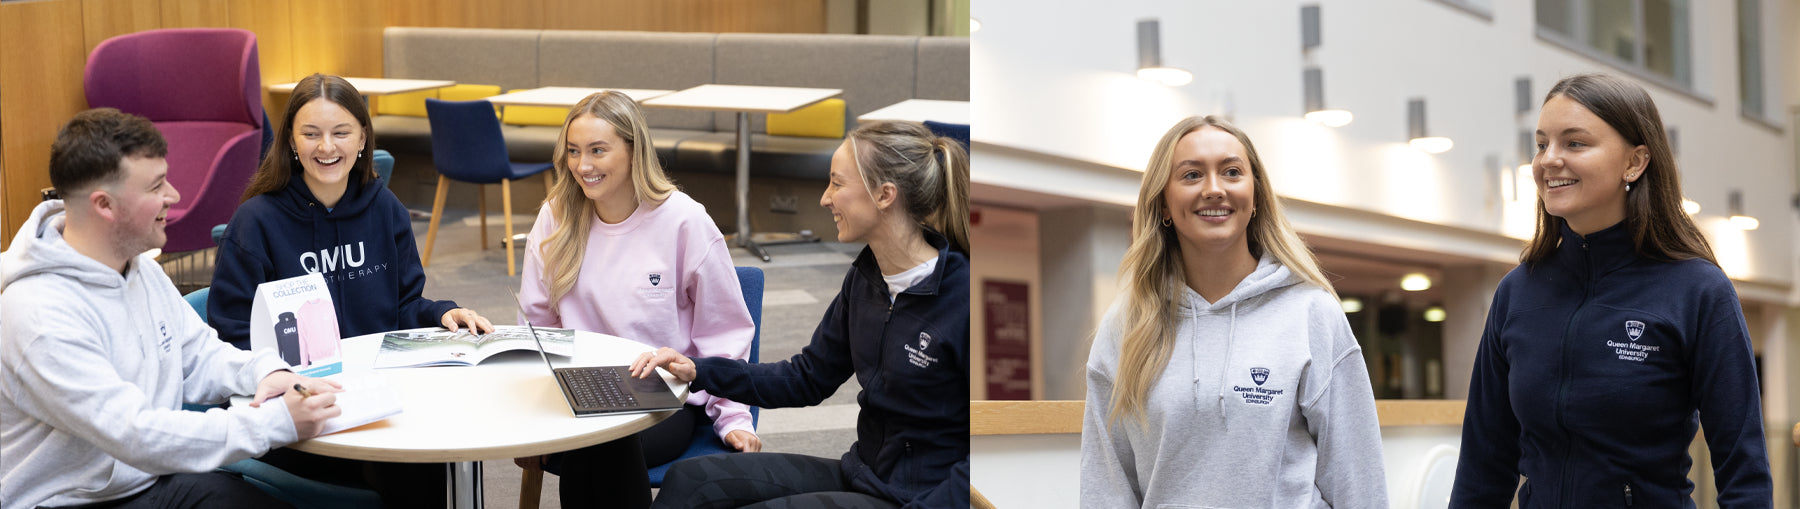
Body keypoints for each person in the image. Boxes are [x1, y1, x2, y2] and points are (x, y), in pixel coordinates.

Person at [1452, 73, 1773, 507]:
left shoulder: (1697, 290)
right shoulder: (1518, 291)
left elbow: (1744, 471)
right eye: (1542, 143)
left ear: (1635, 162)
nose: (1549, 159)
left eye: (1575, 143)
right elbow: (1483, 462)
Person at [0, 108, 343, 509]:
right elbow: (134, 434)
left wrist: (264, 371)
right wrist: (275, 422)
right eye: (156, 186)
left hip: (148, 480)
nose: (174, 196)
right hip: (67, 500)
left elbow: (198, 356)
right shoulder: (39, 314)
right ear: (105, 205)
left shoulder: (139, 267)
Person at [633, 120, 970, 508]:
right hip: (865, 473)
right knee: (690, 481)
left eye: (837, 184)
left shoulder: (967, 302)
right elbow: (806, 378)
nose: (825, 199)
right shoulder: (867, 279)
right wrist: (698, 371)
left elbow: (991, 455)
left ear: (885, 195)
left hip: (919, 497)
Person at [208, 73, 489, 507]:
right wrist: (286, 384)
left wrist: (441, 315)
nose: (327, 147)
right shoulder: (256, 222)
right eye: (311, 134)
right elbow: (230, 338)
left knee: (434, 444)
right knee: (410, 460)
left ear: (362, 139)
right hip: (301, 413)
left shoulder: (383, 207)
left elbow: (404, 305)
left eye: (341, 133)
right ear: (290, 143)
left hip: (376, 399)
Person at [1079, 116, 1387, 508]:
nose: (1214, 189)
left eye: (1232, 172)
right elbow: (1106, 486)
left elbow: (1359, 480)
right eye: (1191, 175)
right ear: (1163, 205)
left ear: (1255, 195)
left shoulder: (1310, 312)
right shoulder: (1127, 325)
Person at [512, 90, 759, 508]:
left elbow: (725, 332)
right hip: (579, 391)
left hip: (662, 398)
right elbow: (538, 324)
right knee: (591, 438)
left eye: (598, 150)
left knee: (599, 442)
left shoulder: (684, 220)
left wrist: (733, 415)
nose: (582, 166)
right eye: (573, 151)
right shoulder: (556, 216)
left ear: (633, 150)